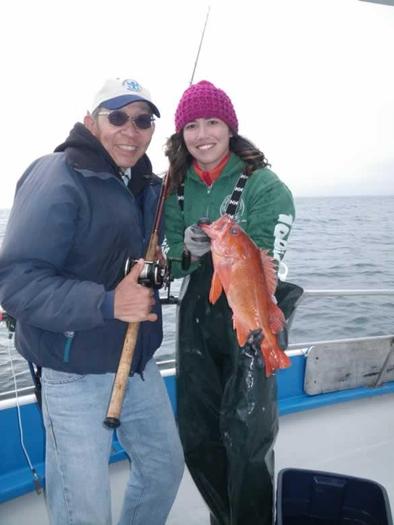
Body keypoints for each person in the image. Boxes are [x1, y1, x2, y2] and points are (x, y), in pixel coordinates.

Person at [0, 77, 184, 525]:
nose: (131, 129)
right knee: (84, 510)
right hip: (72, 368)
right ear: (90, 121)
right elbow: (16, 281)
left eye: (143, 120)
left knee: (164, 467)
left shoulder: (146, 185)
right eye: (117, 116)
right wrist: (106, 303)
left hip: (136, 360)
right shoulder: (56, 174)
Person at [164, 80, 295, 525]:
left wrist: (228, 257)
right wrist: (185, 251)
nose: (202, 135)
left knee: (247, 439)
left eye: (213, 122)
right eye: (192, 126)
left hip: (252, 316)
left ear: (230, 127)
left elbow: (263, 264)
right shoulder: (175, 187)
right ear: (181, 134)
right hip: (197, 323)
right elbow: (171, 262)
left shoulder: (265, 186)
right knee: (199, 436)